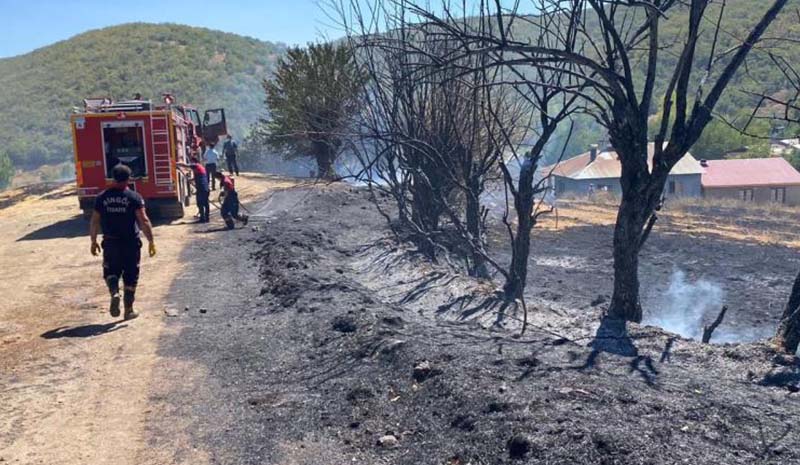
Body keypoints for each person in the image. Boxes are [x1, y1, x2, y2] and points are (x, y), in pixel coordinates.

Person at [90, 164, 156, 320]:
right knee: (131, 275)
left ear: (113, 178)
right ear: (128, 179)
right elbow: (144, 220)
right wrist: (151, 241)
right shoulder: (134, 197)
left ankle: (114, 292)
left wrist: (93, 241)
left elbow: (94, 221)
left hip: (111, 243)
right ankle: (128, 310)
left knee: (111, 272)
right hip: (131, 243)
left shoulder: (102, 197)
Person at [177, 156, 210, 223]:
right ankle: (206, 218)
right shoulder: (200, 168)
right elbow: (198, 177)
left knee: (200, 203)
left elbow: (185, 165)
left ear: (193, 161)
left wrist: (176, 163)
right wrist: (191, 180)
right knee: (205, 203)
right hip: (205, 188)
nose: (190, 163)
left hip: (202, 188)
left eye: (191, 162)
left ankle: (202, 219)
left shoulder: (196, 165)